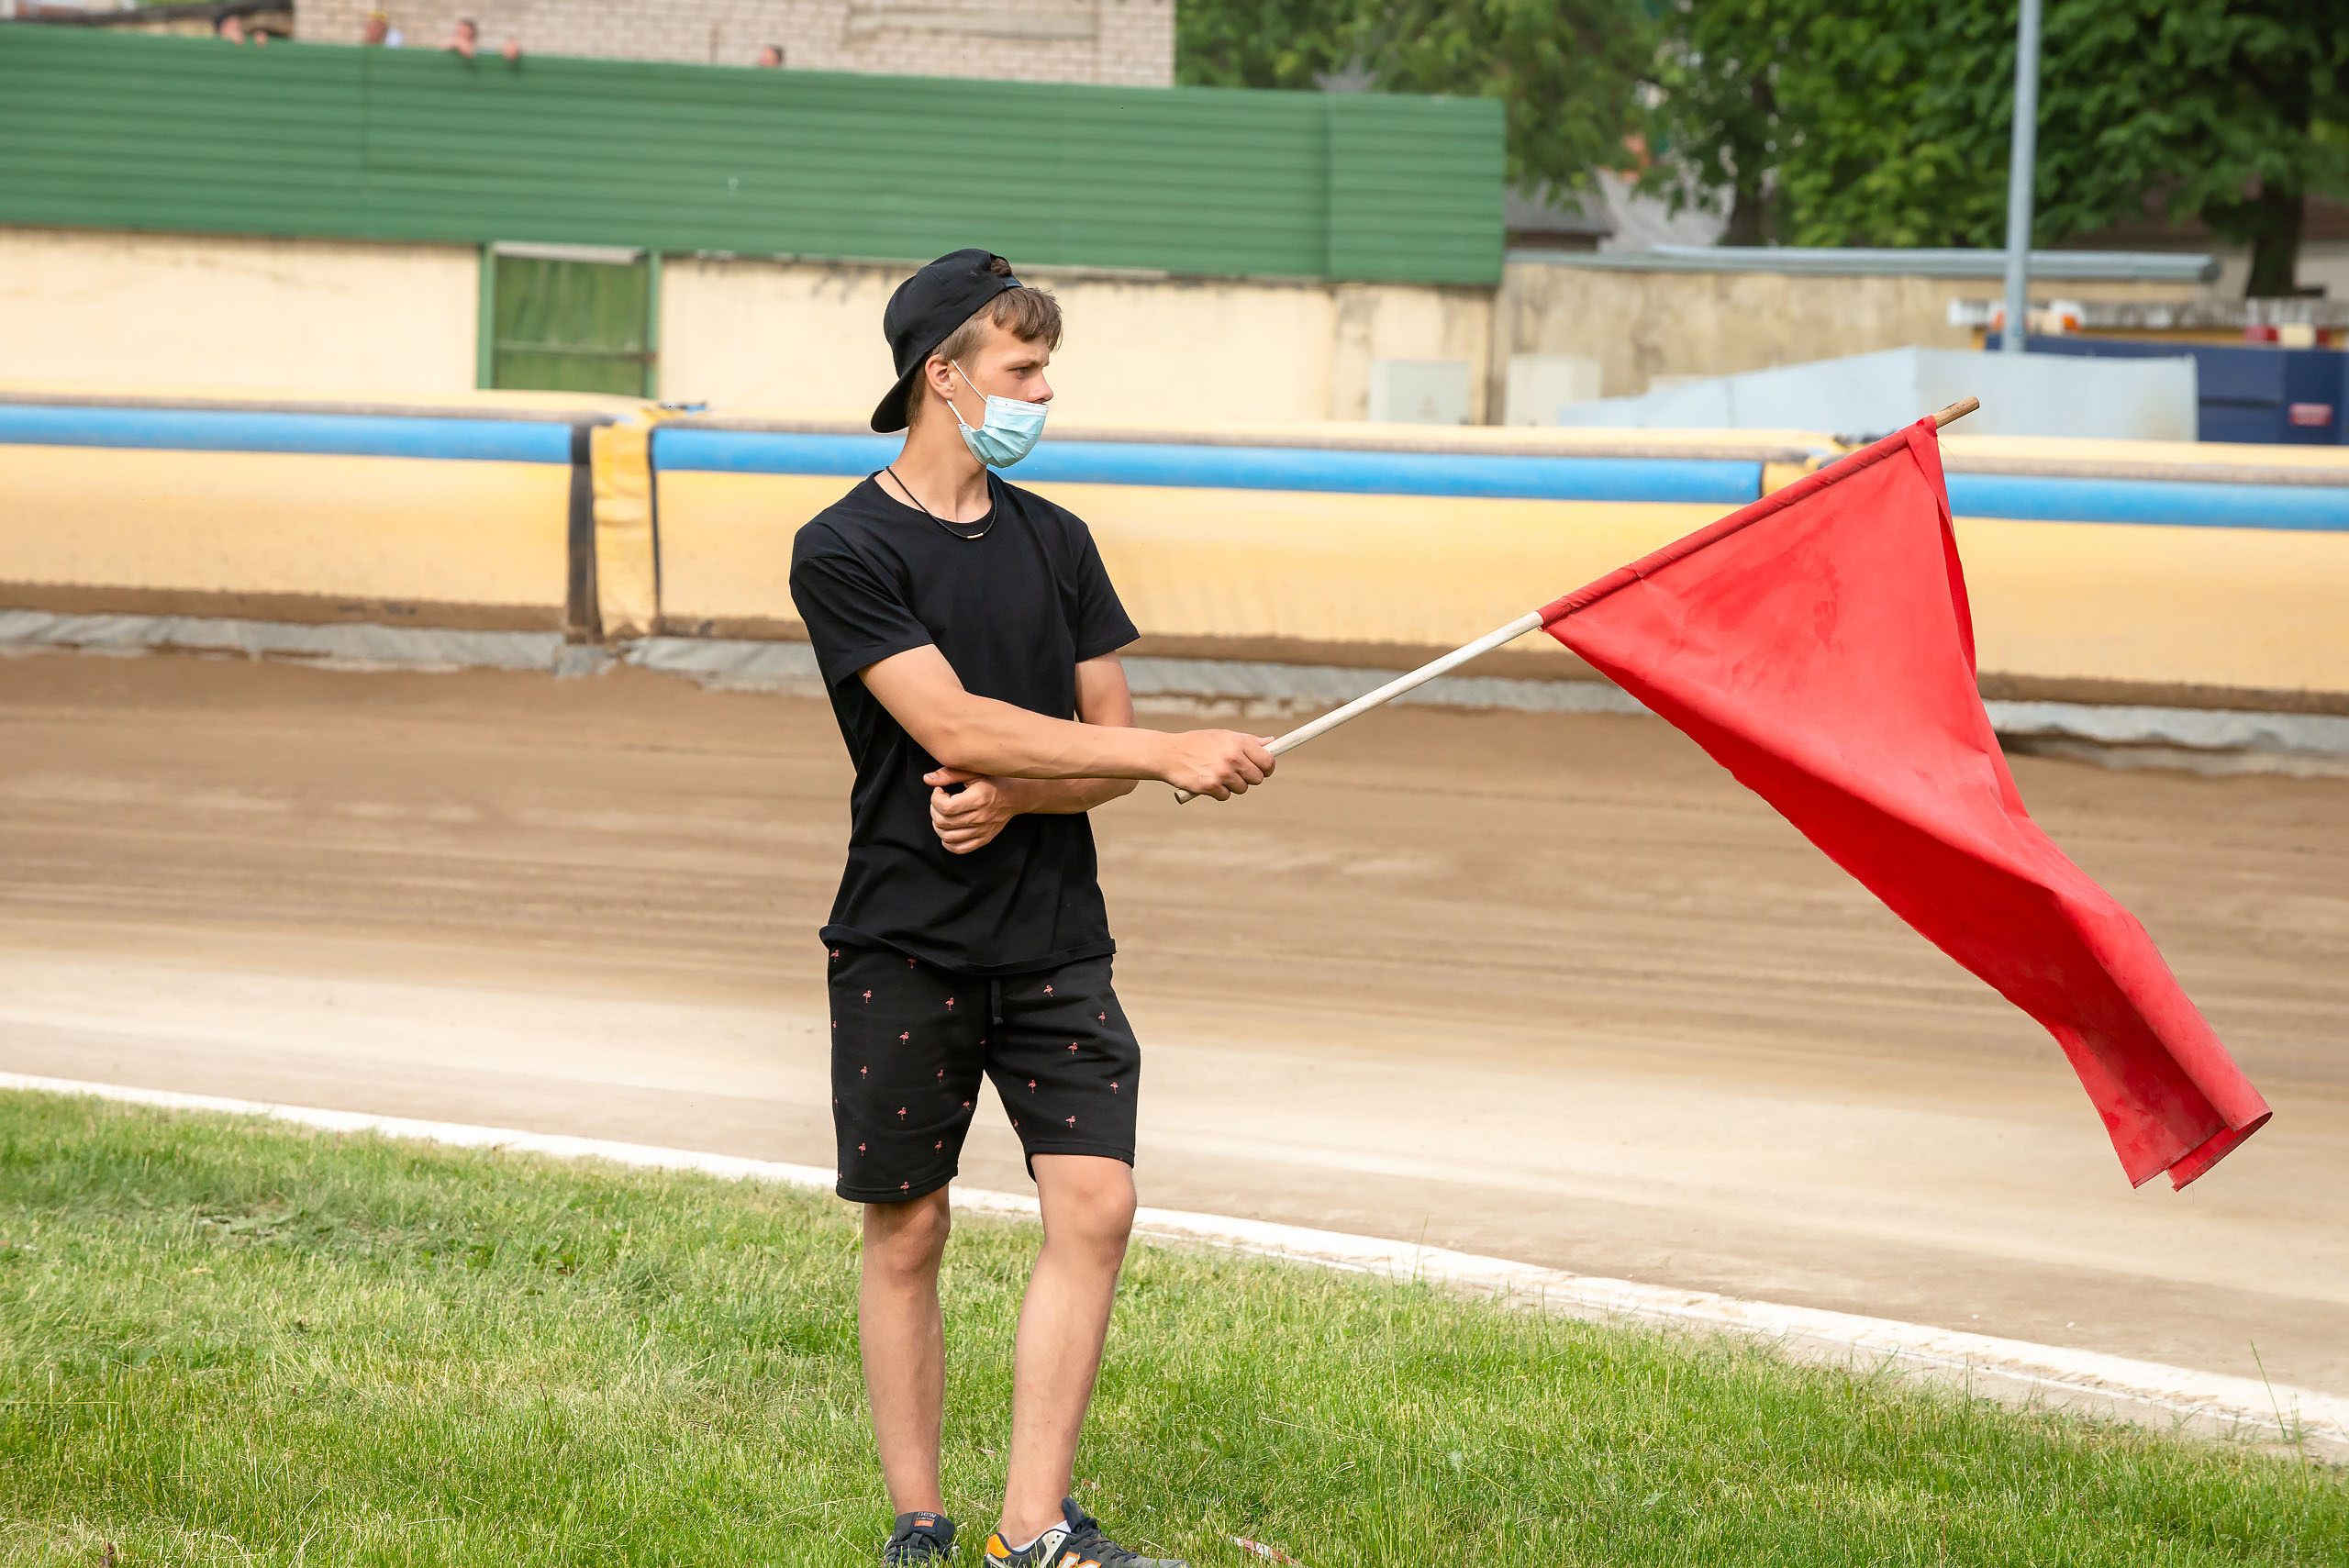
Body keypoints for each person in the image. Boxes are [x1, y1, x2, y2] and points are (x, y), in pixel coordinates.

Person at [788, 250, 1274, 1568]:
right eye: (1022, 368)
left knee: (1097, 1203)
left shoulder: (1059, 542)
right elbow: (944, 719)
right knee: (910, 1224)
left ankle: (1032, 1528)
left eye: (1044, 367)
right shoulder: (841, 549)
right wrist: (1165, 752)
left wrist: (1023, 797)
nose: (1043, 391)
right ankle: (919, 1522)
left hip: (1055, 933)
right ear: (940, 376)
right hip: (902, 933)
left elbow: (1094, 741)